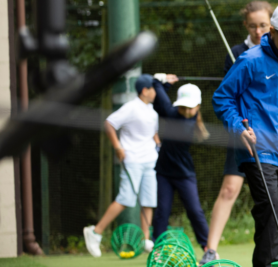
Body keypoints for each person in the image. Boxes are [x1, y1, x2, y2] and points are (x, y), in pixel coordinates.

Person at [212, 2, 278, 267]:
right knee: (270, 211)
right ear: (273, 31)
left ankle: (276, 262)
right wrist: (238, 128)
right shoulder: (250, 61)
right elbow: (222, 98)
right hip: (256, 150)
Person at [199, 0, 274, 264]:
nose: (258, 31)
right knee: (230, 188)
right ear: (246, 25)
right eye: (253, 26)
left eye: (263, 25)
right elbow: (227, 96)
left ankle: (277, 248)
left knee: (273, 194)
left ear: (271, 24)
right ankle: (210, 250)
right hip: (243, 132)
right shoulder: (237, 53)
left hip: (271, 135)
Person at [83, 74, 161, 257]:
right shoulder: (131, 108)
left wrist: (159, 145)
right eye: (153, 88)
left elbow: (153, 134)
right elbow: (109, 124)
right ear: (145, 90)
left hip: (150, 160)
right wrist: (118, 147)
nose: (155, 92)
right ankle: (95, 232)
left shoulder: (152, 111)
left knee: (149, 200)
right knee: (126, 198)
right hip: (132, 159)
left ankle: (145, 240)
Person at [148, 74, 212, 250]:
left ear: (198, 106)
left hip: (184, 173)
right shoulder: (169, 113)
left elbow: (158, 90)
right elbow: (158, 95)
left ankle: (208, 248)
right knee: (162, 212)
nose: (188, 111)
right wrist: (162, 81)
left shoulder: (190, 119)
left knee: (195, 211)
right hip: (164, 172)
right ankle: (158, 249)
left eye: (192, 108)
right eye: (185, 107)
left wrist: (162, 81)